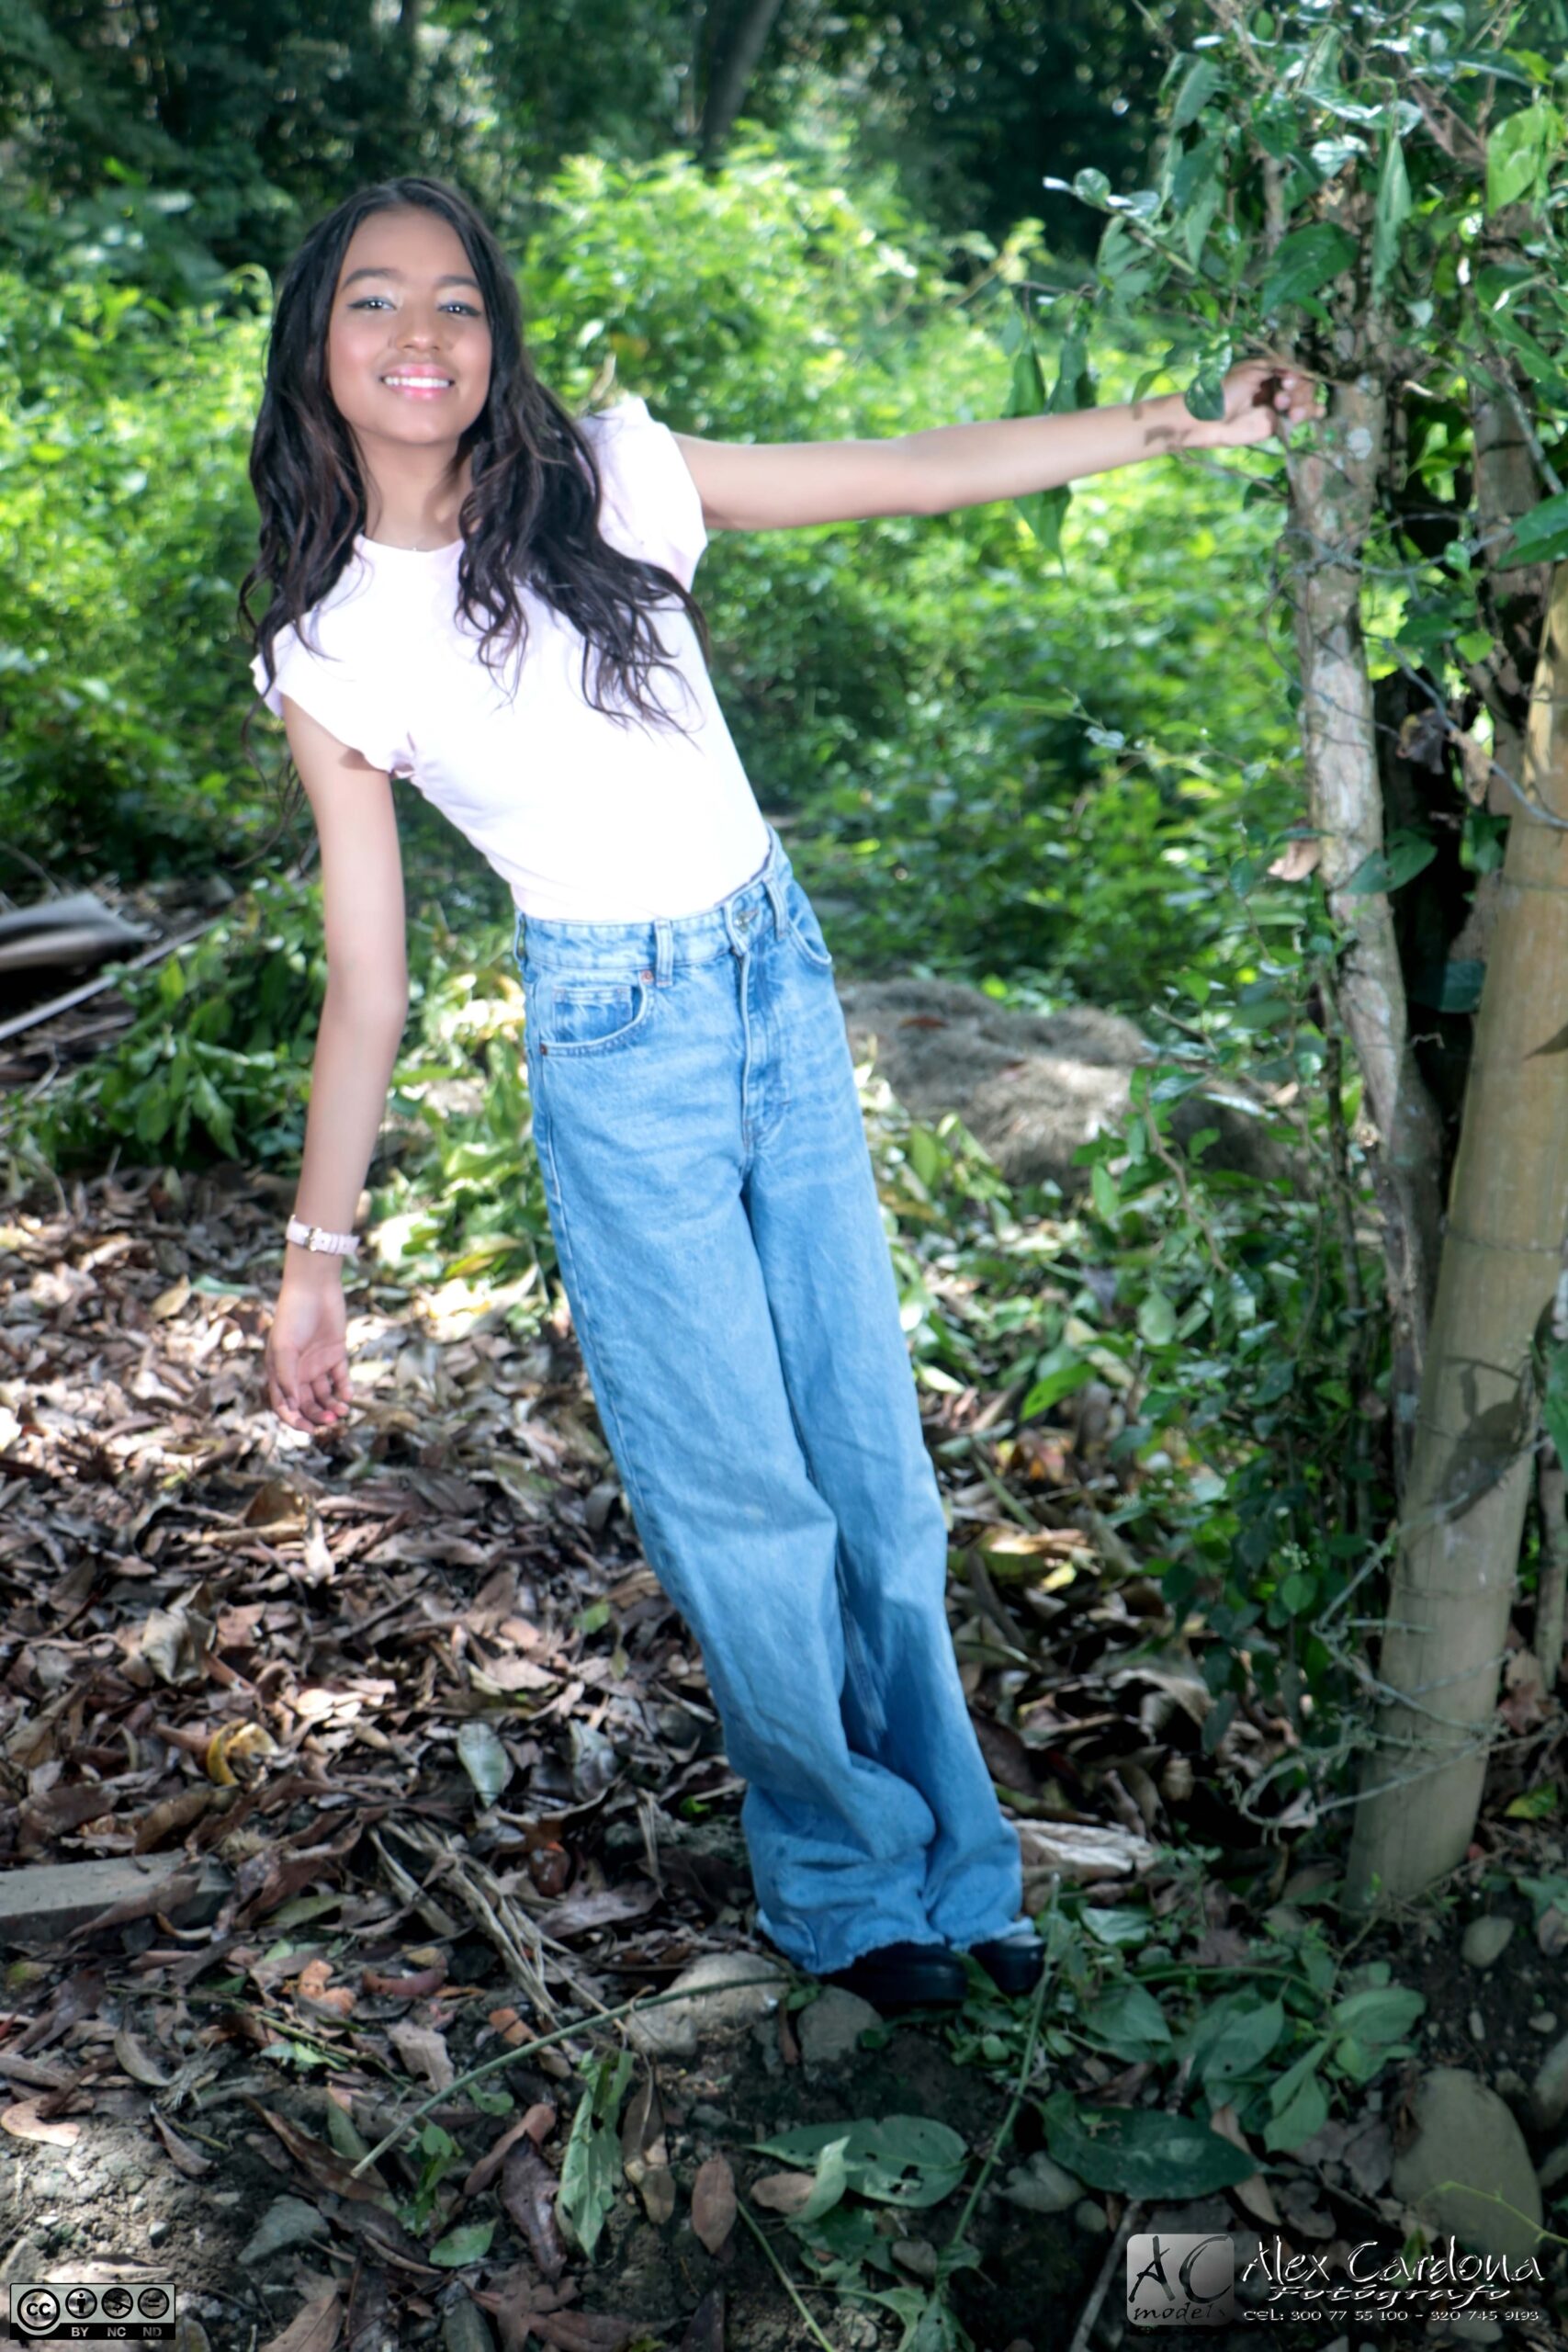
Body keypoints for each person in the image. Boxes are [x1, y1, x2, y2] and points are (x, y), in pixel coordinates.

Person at [247, 176, 1317, 2011]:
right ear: (314, 347)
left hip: (774, 976)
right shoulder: (334, 646)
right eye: (373, 300)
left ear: (495, 334)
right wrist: (313, 1261)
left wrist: (1180, 420)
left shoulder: (603, 479)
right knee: (742, 1502)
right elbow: (370, 981)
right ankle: (844, 1881)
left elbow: (902, 467)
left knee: (873, 1470)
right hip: (620, 1044)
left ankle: (961, 1867)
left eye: (455, 300)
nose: (421, 335)